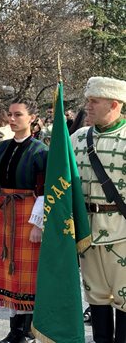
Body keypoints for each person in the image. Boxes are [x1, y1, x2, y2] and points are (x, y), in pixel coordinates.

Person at [0, 98, 48, 342]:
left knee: (26, 273)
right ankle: (15, 329)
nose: (13, 119)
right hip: (6, 212)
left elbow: (45, 189)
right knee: (9, 269)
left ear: (32, 119)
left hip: (28, 213)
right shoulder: (0, 148)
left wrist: (38, 223)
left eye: (19, 114)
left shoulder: (41, 151)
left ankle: (26, 331)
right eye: (11, 114)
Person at [70, 76, 126, 343]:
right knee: (96, 296)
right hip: (86, 233)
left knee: (125, 298)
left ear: (114, 104)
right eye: (88, 100)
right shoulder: (78, 137)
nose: (87, 106)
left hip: (122, 231)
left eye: (94, 101)